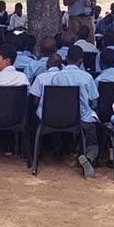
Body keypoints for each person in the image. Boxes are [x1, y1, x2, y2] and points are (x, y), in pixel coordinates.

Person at [44, 46, 100, 179]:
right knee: (92, 134)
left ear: (67, 58)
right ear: (81, 60)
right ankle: (88, 157)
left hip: (60, 119)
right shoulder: (86, 77)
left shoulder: (56, 77)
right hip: (83, 119)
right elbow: (94, 100)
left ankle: (64, 151)